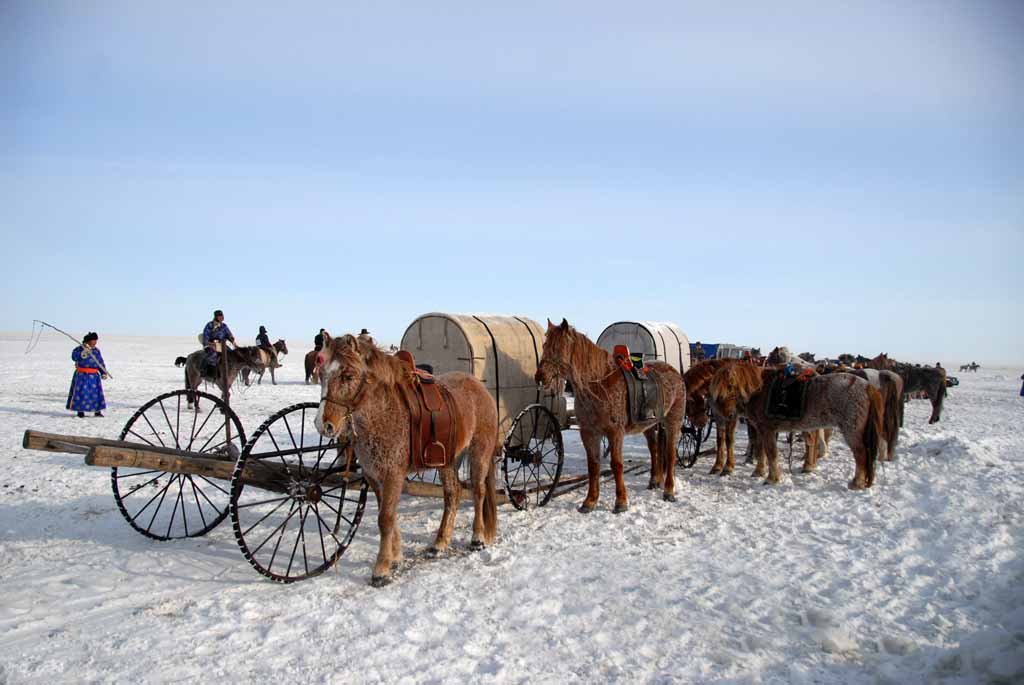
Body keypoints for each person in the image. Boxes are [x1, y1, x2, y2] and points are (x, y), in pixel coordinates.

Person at [66, 332, 108, 418]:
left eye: (96, 341)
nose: (95, 342)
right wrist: (83, 353)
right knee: (81, 393)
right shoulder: (79, 349)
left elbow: (100, 362)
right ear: (88, 341)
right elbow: (74, 357)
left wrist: (103, 372)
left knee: (95, 394)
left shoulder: (96, 351)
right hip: (82, 375)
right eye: (93, 340)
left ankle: (97, 411)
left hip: (94, 376)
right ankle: (80, 411)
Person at [201, 309, 235, 377]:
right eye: (220, 316)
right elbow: (206, 336)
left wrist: (231, 339)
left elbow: (228, 334)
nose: (222, 317)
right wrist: (209, 343)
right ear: (216, 317)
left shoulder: (224, 326)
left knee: (232, 354)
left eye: (222, 315)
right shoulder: (209, 325)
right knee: (213, 355)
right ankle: (207, 371)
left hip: (221, 345)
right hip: (211, 345)